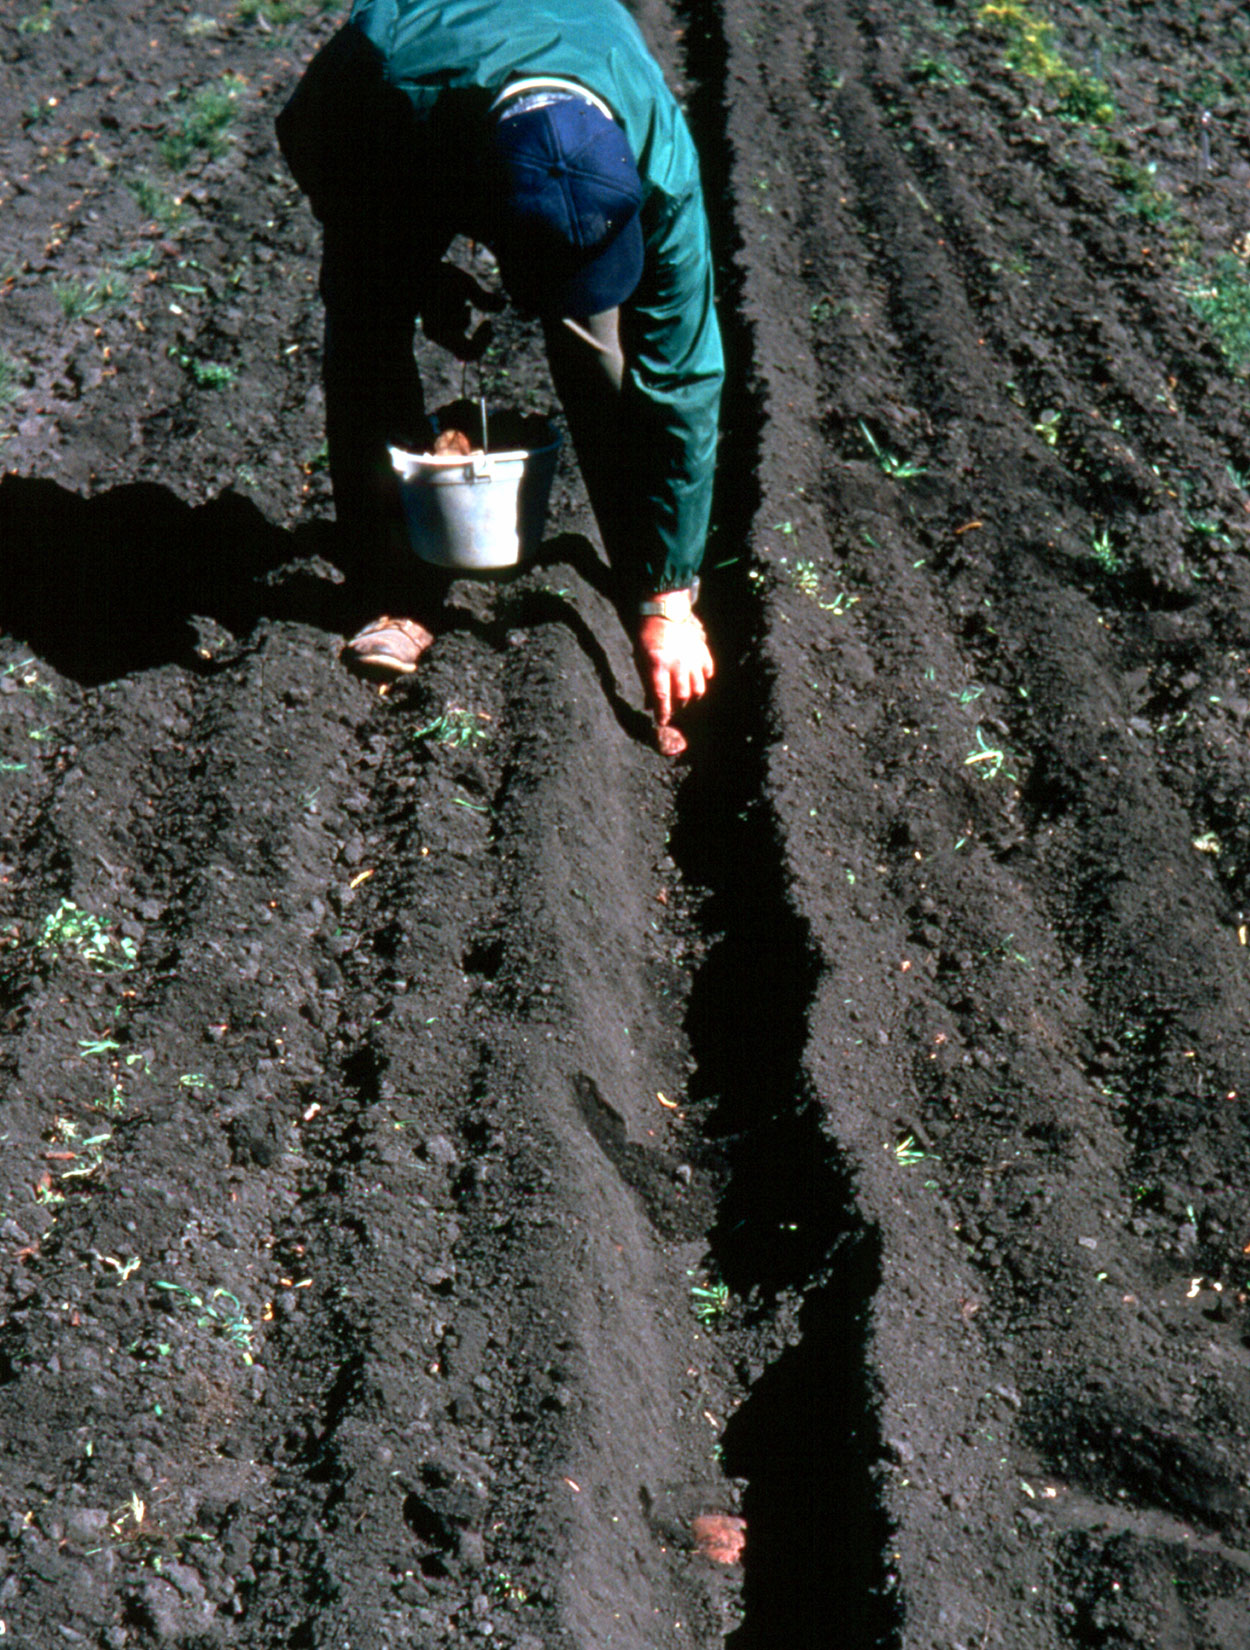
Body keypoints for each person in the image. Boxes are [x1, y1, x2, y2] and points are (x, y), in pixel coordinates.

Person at [276, 0, 724, 749]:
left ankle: (644, 588)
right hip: (423, 130)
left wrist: (672, 594)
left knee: (603, 352)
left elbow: (682, 379)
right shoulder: (384, 71)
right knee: (364, 318)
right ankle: (391, 588)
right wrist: (416, 275)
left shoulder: (657, 153)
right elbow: (305, 136)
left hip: (561, 62)